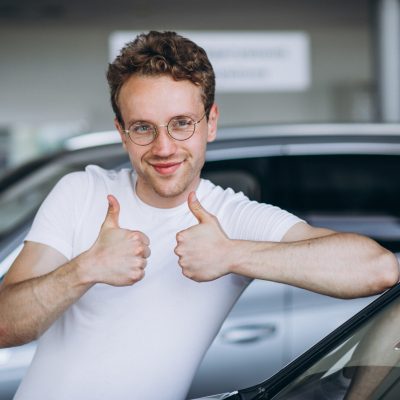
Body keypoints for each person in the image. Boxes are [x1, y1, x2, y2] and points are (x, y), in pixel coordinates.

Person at [0, 31, 398, 400]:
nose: (164, 147)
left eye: (181, 124)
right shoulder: (82, 192)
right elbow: (4, 325)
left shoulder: (233, 217)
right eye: (143, 128)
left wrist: (231, 255)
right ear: (122, 132)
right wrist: (85, 268)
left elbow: (376, 270)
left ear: (211, 123)